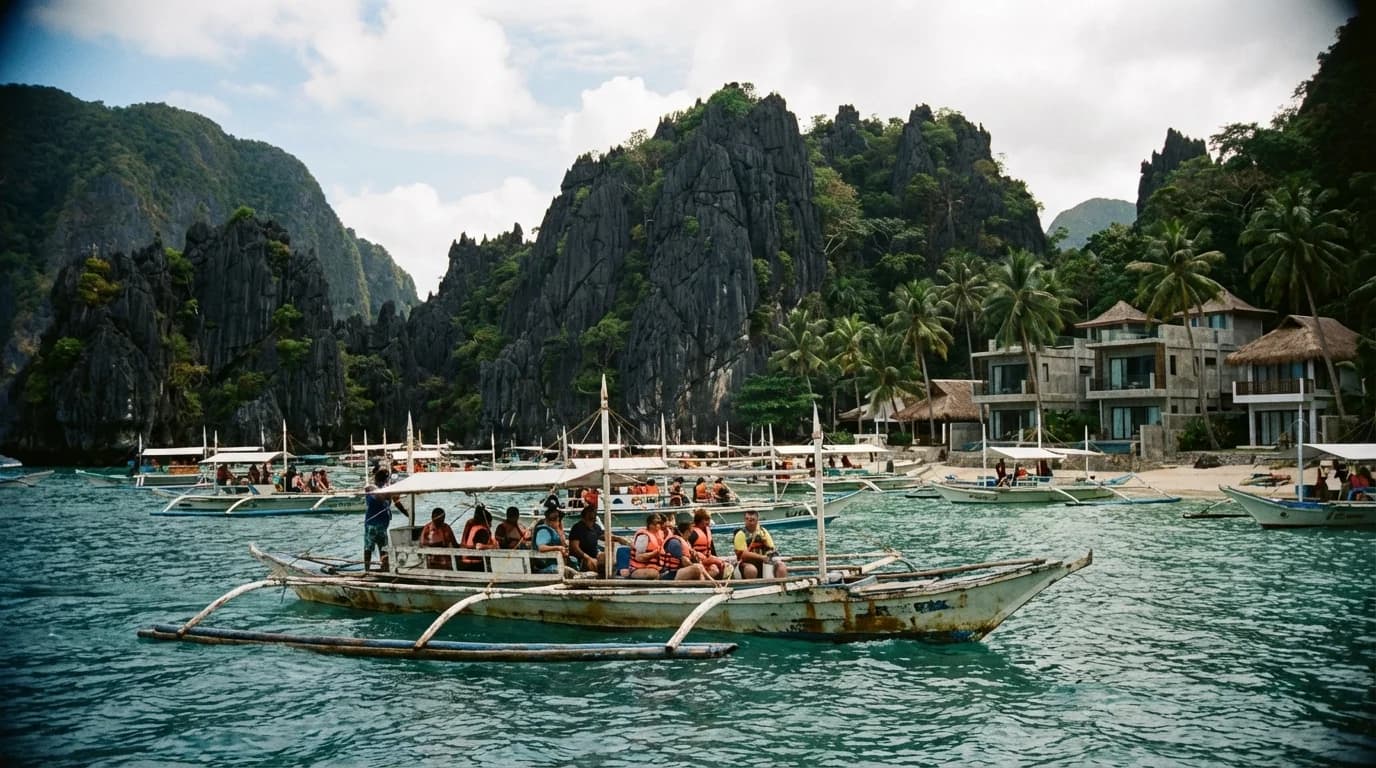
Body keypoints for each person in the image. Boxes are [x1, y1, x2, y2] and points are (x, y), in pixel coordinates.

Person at [363, 470, 405, 572]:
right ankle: (367, 571)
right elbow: (380, 497)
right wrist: (391, 491)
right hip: (371, 525)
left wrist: (408, 514)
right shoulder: (371, 488)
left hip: (382, 526)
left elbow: (397, 502)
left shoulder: (387, 490)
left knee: (384, 549)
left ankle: (384, 569)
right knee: (368, 548)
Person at [568, 505, 629, 573]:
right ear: (584, 517)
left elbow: (604, 536)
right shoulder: (577, 528)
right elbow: (574, 548)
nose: (592, 519)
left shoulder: (595, 527)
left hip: (595, 555)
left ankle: (614, 571)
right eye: (590, 516)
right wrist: (588, 558)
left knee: (607, 559)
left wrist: (618, 538)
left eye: (593, 516)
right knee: (593, 564)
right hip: (582, 558)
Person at [733, 510, 787, 579]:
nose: (749, 522)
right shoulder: (740, 534)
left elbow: (771, 548)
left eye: (752, 520)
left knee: (781, 566)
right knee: (751, 570)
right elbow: (743, 555)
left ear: (757, 520)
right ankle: (752, 588)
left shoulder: (763, 532)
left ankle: (782, 586)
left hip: (763, 562)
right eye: (747, 519)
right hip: (746, 563)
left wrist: (770, 555)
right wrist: (762, 557)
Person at [660, 513, 707, 581]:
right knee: (697, 568)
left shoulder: (686, 543)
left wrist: (695, 558)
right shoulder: (674, 542)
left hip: (679, 571)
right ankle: (707, 584)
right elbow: (684, 562)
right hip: (669, 574)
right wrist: (697, 565)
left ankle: (708, 584)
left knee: (699, 567)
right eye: (690, 532)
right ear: (686, 531)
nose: (691, 534)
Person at [688, 508, 727, 579]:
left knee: (723, 566)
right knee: (715, 570)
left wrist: (716, 559)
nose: (709, 522)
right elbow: (688, 551)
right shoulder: (693, 533)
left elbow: (712, 549)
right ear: (699, 521)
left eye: (709, 519)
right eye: (706, 520)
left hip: (707, 560)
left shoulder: (707, 531)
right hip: (698, 563)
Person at [625, 513, 665, 579]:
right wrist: (653, 554)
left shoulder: (660, 534)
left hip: (653, 567)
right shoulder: (643, 536)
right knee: (653, 574)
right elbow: (638, 557)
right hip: (638, 569)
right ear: (649, 525)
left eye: (659, 523)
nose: (657, 526)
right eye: (654, 524)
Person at [530, 506, 569, 574]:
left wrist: (559, 531)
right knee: (564, 570)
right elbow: (541, 547)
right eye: (558, 521)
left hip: (555, 562)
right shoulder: (544, 531)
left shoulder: (554, 530)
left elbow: (563, 544)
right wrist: (557, 548)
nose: (560, 523)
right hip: (545, 566)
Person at [459, 505, 497, 571]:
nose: (491, 525)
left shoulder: (471, 524)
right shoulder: (482, 530)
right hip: (474, 564)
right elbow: (479, 546)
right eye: (490, 522)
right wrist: (493, 546)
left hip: (464, 560)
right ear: (486, 521)